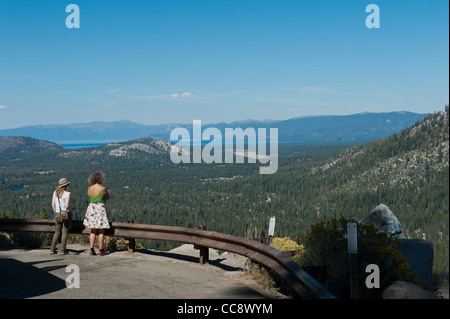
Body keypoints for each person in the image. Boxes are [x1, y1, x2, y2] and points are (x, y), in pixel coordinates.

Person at [83, 171, 111, 256]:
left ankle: (91, 249)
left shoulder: (89, 189)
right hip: (100, 209)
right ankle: (101, 250)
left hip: (91, 209)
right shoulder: (103, 189)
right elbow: (108, 197)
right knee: (101, 230)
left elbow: (89, 198)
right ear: (101, 179)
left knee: (93, 230)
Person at [50, 178, 72, 255]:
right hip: (65, 215)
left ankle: (52, 249)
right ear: (66, 185)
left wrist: (57, 213)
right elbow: (67, 206)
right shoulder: (67, 194)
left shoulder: (55, 193)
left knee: (57, 232)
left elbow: (53, 205)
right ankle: (63, 249)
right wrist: (71, 208)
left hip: (58, 214)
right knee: (65, 231)